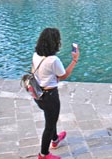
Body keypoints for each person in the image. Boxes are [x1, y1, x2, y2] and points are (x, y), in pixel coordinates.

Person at [33, 28, 79, 159]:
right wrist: (75, 60)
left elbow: (40, 72)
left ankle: (55, 139)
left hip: (38, 93)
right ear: (55, 43)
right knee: (49, 124)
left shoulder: (36, 54)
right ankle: (43, 154)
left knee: (50, 118)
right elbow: (63, 75)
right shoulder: (53, 60)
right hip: (50, 96)